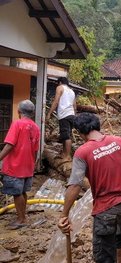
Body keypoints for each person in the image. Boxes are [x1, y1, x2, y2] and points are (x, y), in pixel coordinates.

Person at [57, 113, 121, 263]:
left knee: (104, 256)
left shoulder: (82, 152)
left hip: (106, 210)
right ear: (98, 125)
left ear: (79, 132)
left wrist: (64, 214)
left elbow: (75, 185)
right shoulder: (120, 141)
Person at [0, 100, 40, 229]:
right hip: (28, 165)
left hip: (15, 165)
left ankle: (21, 219)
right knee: (22, 192)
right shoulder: (35, 127)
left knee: (17, 193)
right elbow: (35, 150)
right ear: (32, 113)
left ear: (18, 112)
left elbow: (9, 145)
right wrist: (33, 164)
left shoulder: (17, 124)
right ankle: (23, 216)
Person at [47, 77, 76, 160]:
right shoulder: (72, 91)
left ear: (60, 82)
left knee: (66, 136)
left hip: (64, 115)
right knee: (65, 135)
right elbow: (74, 105)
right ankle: (64, 153)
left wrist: (49, 113)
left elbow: (56, 101)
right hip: (71, 114)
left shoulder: (60, 88)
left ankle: (67, 156)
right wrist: (74, 115)